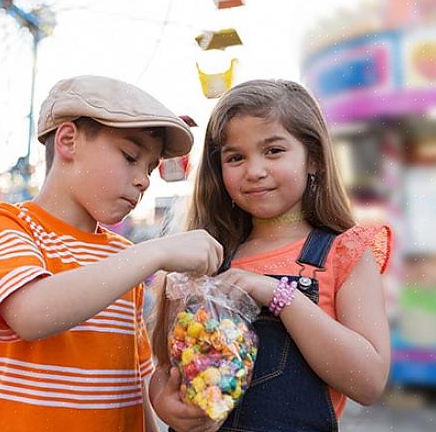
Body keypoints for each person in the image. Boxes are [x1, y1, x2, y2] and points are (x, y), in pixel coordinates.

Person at [0, 75, 223, 432]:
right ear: (68, 140)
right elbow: (31, 314)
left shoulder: (123, 256)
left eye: (149, 168)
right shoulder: (6, 224)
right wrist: (155, 251)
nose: (145, 180)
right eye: (130, 157)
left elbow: (133, 382)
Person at [150, 79, 392, 431]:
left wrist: (278, 295)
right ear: (218, 170)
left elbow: (368, 381)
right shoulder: (204, 257)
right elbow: (164, 365)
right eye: (236, 157)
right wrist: (164, 401)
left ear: (313, 159)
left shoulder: (344, 252)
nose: (255, 170)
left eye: (274, 151)